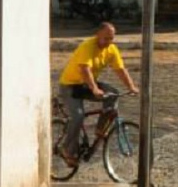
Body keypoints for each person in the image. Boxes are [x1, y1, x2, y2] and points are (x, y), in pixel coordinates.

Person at [56, 22, 139, 166]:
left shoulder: (111, 49)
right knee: (78, 116)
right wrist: (94, 88)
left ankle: (101, 129)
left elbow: (120, 69)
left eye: (111, 38)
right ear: (97, 35)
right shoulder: (87, 46)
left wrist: (131, 86)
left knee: (113, 94)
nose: (109, 41)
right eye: (106, 38)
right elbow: (85, 69)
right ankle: (67, 149)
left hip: (87, 84)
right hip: (70, 86)